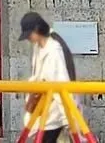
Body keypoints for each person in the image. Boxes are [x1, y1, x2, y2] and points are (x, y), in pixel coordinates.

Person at [19, 11, 78, 142]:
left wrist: (68, 116)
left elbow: (61, 80)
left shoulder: (54, 49)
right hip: (44, 106)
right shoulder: (39, 47)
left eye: (29, 34)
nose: (29, 39)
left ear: (37, 29)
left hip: (54, 108)